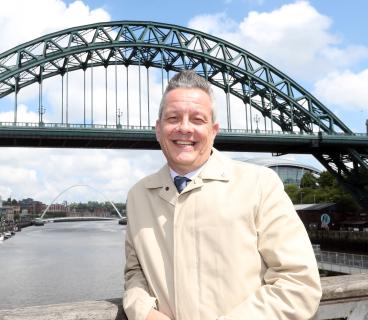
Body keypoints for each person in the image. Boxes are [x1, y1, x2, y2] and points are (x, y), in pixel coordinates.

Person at [123, 70, 322, 320]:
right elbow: (134, 273)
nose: (184, 128)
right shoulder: (138, 196)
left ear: (214, 130)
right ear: (158, 128)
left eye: (197, 119)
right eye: (173, 118)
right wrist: (143, 312)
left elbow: (298, 284)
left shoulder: (260, 185)